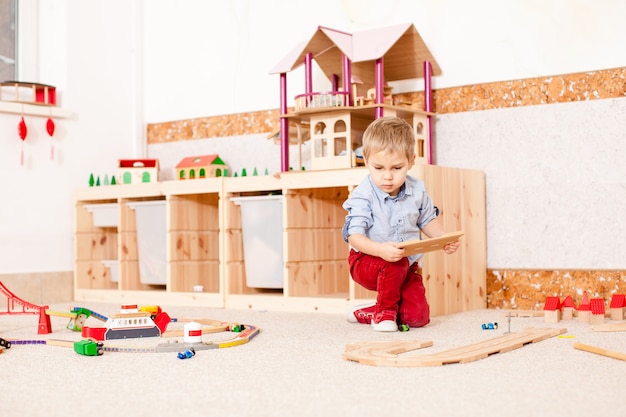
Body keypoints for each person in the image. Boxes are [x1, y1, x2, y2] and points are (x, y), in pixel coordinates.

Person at [342, 116, 460, 332]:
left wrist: (443, 239)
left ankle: (371, 311)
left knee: (417, 318)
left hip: (405, 264)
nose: (387, 176)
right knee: (394, 263)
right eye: (378, 168)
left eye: (397, 168)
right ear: (366, 161)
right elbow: (354, 236)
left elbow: (427, 220)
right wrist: (379, 250)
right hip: (367, 261)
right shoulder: (363, 195)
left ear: (411, 161)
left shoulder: (417, 189)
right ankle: (383, 314)